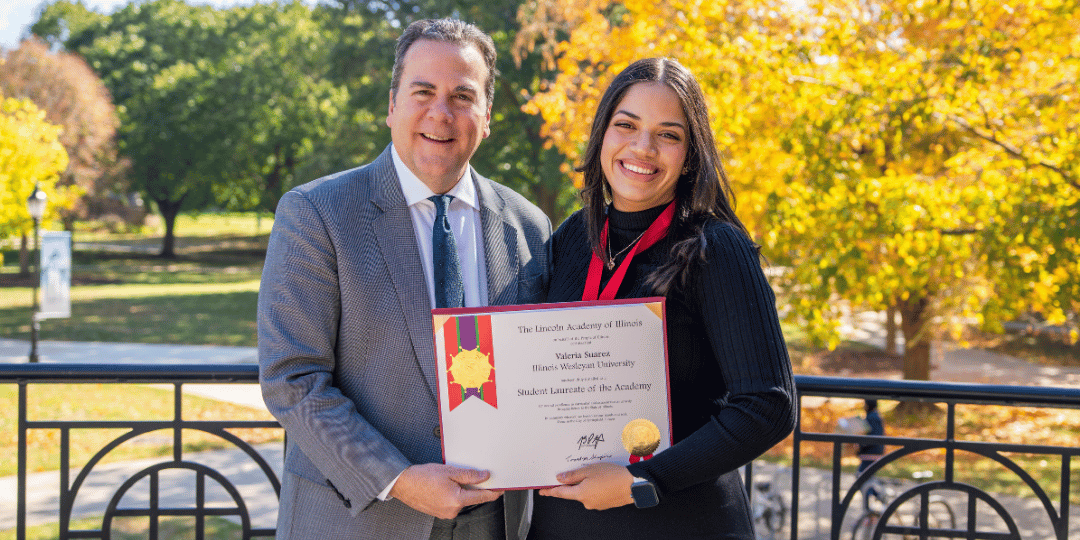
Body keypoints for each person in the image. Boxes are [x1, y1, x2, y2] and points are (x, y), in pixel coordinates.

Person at [257, 18, 551, 540]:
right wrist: (400, 479)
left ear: (487, 118)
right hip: (360, 519)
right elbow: (292, 378)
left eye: (463, 95)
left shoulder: (528, 226)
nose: (441, 112)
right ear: (391, 105)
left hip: (496, 523)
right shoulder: (316, 213)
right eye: (423, 92)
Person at [528, 57, 797, 539]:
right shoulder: (572, 239)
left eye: (668, 135)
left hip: (679, 522)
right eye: (625, 125)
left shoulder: (715, 248)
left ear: (691, 154)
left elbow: (768, 406)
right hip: (564, 524)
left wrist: (641, 480)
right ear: (602, 136)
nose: (642, 147)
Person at [856, 399, 886, 510]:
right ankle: (876, 498)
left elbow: (871, 437)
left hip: (871, 453)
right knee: (866, 478)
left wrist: (861, 445)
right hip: (873, 452)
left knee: (861, 477)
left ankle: (878, 496)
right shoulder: (875, 416)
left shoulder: (872, 417)